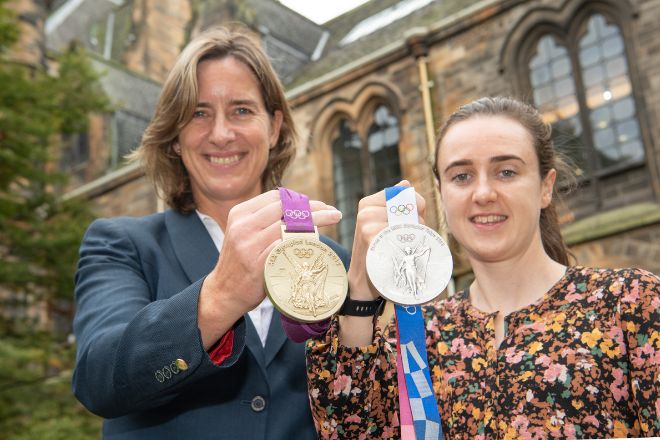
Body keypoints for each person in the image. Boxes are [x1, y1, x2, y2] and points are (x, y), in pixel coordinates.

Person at [306, 96, 659, 438]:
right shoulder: (420, 337)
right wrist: (360, 287)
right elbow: (346, 428)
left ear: (545, 188)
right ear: (442, 194)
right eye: (461, 176)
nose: (483, 193)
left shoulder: (630, 304)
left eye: (506, 171)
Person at [72, 25, 347, 439]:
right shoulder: (122, 244)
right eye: (199, 113)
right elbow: (99, 377)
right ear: (176, 137)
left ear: (273, 128)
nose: (221, 134)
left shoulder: (334, 262)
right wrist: (221, 296)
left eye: (241, 110)